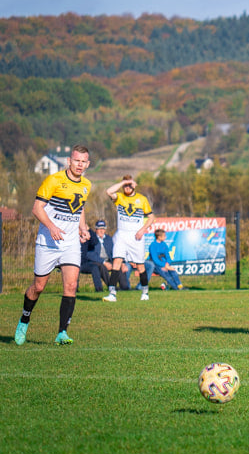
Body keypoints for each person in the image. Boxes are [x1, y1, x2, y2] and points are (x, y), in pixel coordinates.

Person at [14, 144, 91, 346]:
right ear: (69, 161)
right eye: (76, 160)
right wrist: (51, 227)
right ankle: (24, 319)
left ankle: (62, 333)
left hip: (71, 243)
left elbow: (79, 208)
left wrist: (83, 228)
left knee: (72, 286)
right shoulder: (54, 180)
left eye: (83, 162)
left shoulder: (86, 185)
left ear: (88, 164)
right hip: (48, 242)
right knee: (38, 287)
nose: (79, 165)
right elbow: (37, 208)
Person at [103, 175, 155, 302]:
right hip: (121, 234)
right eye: (125, 185)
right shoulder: (119, 197)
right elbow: (109, 192)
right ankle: (112, 293)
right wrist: (123, 183)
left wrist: (142, 230)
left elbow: (151, 217)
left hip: (136, 236)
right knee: (117, 262)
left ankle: (145, 291)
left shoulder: (141, 199)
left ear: (133, 186)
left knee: (140, 265)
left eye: (129, 185)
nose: (127, 187)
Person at [80, 219, 113, 292]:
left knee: (117, 266)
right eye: (99, 229)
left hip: (85, 262)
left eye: (103, 229)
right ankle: (100, 289)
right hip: (79, 263)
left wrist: (88, 230)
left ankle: (116, 288)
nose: (101, 231)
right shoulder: (73, 237)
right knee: (96, 267)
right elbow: (90, 254)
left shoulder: (87, 237)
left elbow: (94, 241)